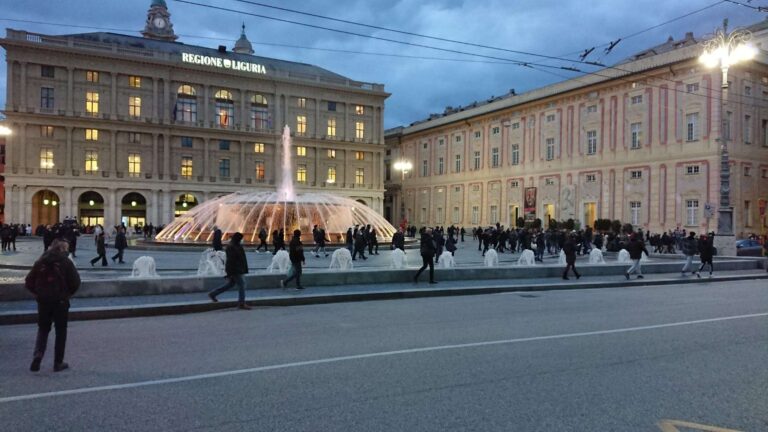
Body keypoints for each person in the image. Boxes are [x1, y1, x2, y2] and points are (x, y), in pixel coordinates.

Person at [25, 239, 81, 372]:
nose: (67, 251)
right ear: (62, 249)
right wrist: (66, 294)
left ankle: (38, 355)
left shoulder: (40, 261)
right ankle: (58, 362)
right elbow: (76, 282)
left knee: (43, 329)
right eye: (66, 249)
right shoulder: (66, 262)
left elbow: (28, 281)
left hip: (43, 301)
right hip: (60, 302)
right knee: (61, 331)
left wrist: (39, 294)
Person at [207, 232, 251, 310]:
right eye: (240, 239)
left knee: (230, 285)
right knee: (242, 285)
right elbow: (230, 261)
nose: (241, 240)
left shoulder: (237, 245)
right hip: (235, 270)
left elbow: (242, 259)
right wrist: (229, 272)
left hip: (238, 269)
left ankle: (213, 294)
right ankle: (241, 303)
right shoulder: (231, 247)